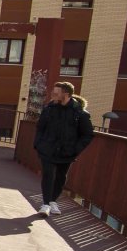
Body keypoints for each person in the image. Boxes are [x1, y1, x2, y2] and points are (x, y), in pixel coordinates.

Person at [33, 81, 94, 216]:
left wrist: (75, 149)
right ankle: (46, 204)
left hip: (66, 151)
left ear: (66, 94)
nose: (52, 94)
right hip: (47, 149)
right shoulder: (49, 109)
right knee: (48, 174)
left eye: (56, 92)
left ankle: (52, 201)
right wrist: (38, 144)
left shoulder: (79, 113)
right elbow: (40, 127)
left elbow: (88, 134)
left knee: (60, 177)